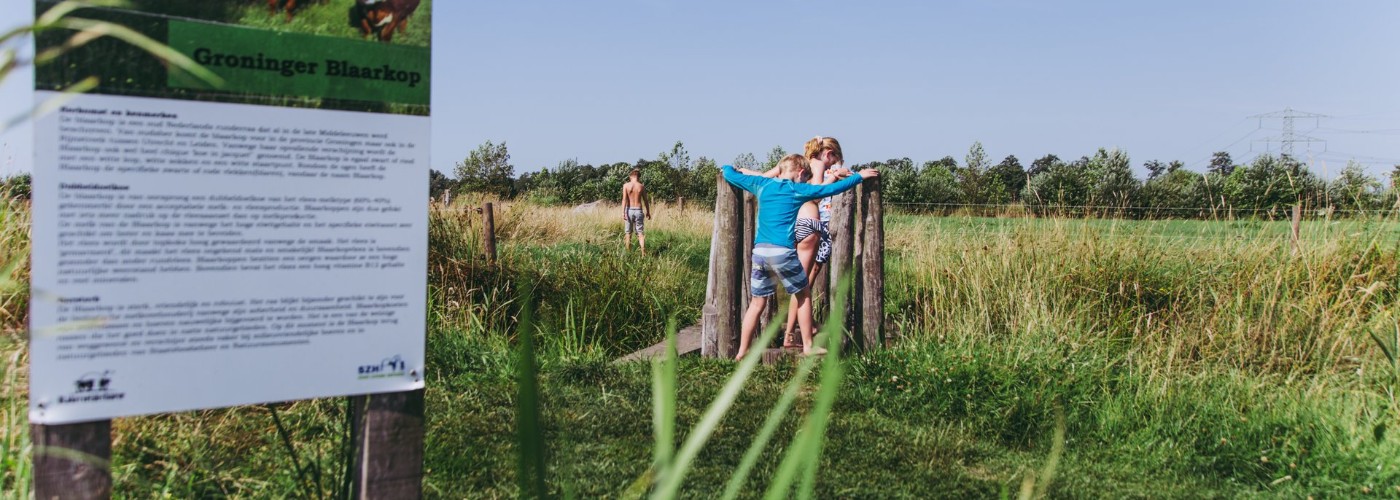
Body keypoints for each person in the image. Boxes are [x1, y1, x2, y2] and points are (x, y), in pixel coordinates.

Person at [723, 154, 879, 358]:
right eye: (805, 178)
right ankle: (807, 345)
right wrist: (858, 176)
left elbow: (730, 175)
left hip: (760, 252)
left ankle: (742, 351)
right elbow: (828, 189)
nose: (805, 181)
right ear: (801, 172)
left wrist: (728, 167)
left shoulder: (762, 184)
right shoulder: (797, 189)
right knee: (803, 295)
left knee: (757, 303)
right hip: (783, 251)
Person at [752, 137, 852, 347]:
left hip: (797, 225)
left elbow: (768, 176)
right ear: (827, 154)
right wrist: (834, 179)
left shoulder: (800, 165)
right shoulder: (816, 166)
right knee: (802, 285)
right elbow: (815, 195)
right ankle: (791, 335)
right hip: (810, 223)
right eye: (834, 158)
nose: (835, 164)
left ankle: (799, 329)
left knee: (801, 283)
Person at [621, 169, 651, 253]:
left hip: (629, 210)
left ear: (631, 176)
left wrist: (623, 212)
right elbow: (645, 200)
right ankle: (643, 250)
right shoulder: (641, 186)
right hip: (638, 210)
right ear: (638, 177)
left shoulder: (626, 185)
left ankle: (628, 252)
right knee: (640, 232)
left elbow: (624, 199)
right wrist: (648, 212)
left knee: (628, 233)